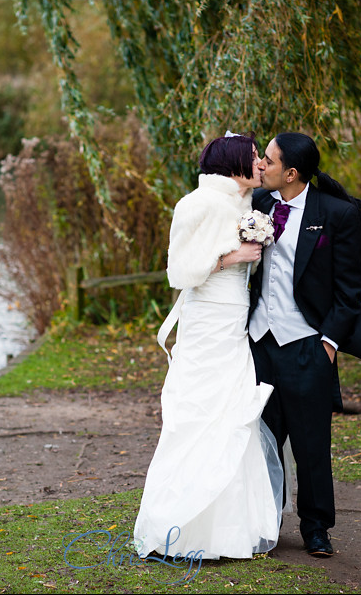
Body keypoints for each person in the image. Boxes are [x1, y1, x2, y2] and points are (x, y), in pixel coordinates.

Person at [248, 132, 361, 557]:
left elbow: (350, 291)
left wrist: (328, 344)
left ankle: (315, 528)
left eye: (269, 162)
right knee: (260, 439)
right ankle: (261, 521)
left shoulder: (336, 216)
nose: (261, 167)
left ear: (291, 173)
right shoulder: (258, 205)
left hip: (307, 344)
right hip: (257, 343)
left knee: (311, 441)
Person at [133, 133, 293, 560]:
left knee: (232, 412)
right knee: (200, 411)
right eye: (255, 156)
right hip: (206, 323)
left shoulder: (244, 206)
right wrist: (229, 258)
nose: (261, 162)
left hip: (233, 323)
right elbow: (178, 272)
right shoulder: (196, 204)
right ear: (234, 163)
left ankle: (228, 531)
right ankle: (181, 527)